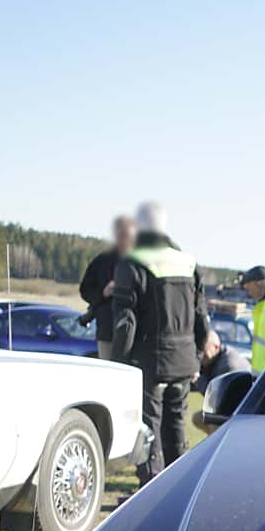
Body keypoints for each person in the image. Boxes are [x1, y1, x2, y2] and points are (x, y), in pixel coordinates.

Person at [110, 201, 209, 487]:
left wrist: (119, 364)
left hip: (149, 360)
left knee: (148, 426)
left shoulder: (133, 262)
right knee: (176, 427)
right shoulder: (188, 262)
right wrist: (198, 354)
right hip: (183, 360)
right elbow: (201, 316)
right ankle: (181, 488)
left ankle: (152, 489)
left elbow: (125, 322)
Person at [77, 215, 135, 360]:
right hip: (107, 333)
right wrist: (103, 293)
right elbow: (85, 290)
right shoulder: (102, 261)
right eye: (121, 234)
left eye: (127, 235)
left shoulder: (140, 262)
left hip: (136, 335)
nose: (124, 238)